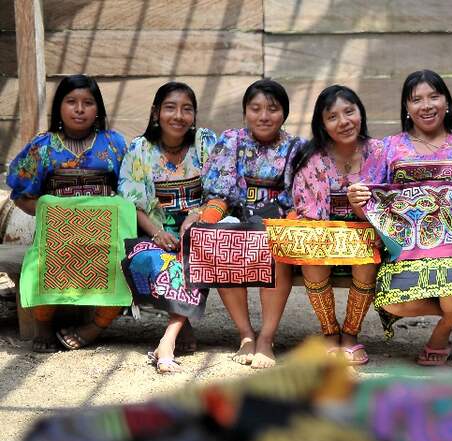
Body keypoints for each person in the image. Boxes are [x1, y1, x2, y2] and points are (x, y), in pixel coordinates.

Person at [348, 69, 452, 366]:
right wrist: (357, 201)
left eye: (434, 97)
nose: (426, 105)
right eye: (416, 100)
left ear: (447, 102)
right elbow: (371, 208)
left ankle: (440, 337)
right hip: (404, 250)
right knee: (395, 303)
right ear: (406, 107)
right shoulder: (386, 148)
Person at [6, 74, 127, 352]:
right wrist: (58, 216)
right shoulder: (43, 146)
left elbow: (129, 191)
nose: (80, 109)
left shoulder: (114, 144)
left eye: (88, 102)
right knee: (39, 265)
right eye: (71, 101)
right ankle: (44, 326)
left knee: (124, 265)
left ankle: (96, 326)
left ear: (99, 109)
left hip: (105, 236)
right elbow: (21, 195)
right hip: (57, 237)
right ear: (59, 107)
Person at [196, 79, 301, 369]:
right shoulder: (232, 141)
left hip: (276, 221)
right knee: (220, 240)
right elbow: (220, 192)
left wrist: (283, 224)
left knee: (277, 248)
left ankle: (266, 337)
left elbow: (298, 197)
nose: (264, 116)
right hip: (238, 218)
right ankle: (245, 334)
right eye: (255, 108)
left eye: (272, 109)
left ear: (284, 113)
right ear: (245, 112)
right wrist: (207, 222)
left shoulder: (295, 147)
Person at [118, 81, 217, 373]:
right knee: (158, 260)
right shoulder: (140, 148)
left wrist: (196, 215)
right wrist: (157, 233)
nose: (179, 116)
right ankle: (181, 324)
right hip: (150, 230)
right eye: (170, 108)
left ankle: (168, 338)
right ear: (156, 112)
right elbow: (132, 202)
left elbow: (217, 191)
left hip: (196, 228)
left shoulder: (205, 142)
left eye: (187, 109)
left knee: (198, 254)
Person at [289, 85, 385, 365]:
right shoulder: (312, 158)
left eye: (349, 112)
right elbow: (308, 214)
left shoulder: (378, 152)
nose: (343, 122)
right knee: (312, 258)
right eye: (332, 117)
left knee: (366, 255)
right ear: (322, 124)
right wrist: (328, 236)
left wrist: (369, 223)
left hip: (369, 232)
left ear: (360, 113)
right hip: (324, 233)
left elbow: (390, 202)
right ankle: (330, 332)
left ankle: (351, 335)